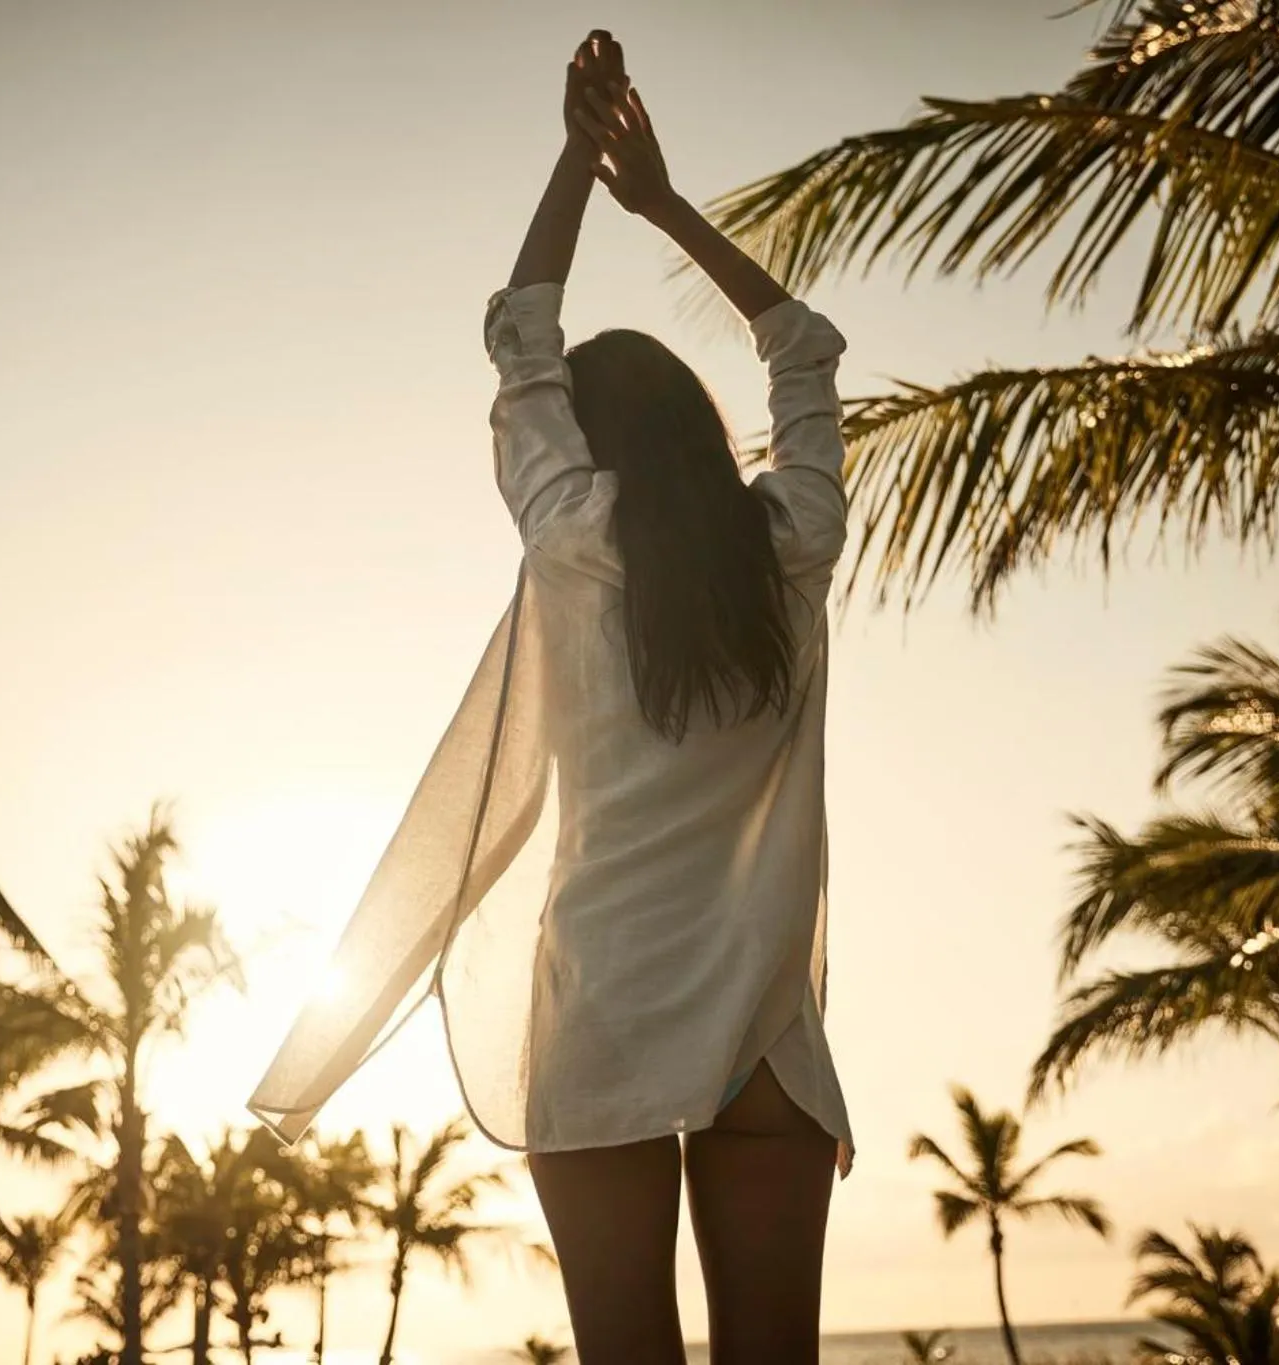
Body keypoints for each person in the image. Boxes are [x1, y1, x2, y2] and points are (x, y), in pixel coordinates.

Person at [249, 29, 854, 1365]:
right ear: (700, 433)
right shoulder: (793, 549)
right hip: (767, 1030)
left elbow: (521, 335)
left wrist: (580, 161)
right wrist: (666, 208)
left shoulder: (574, 537)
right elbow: (803, 349)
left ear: (592, 434)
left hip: (606, 1005)